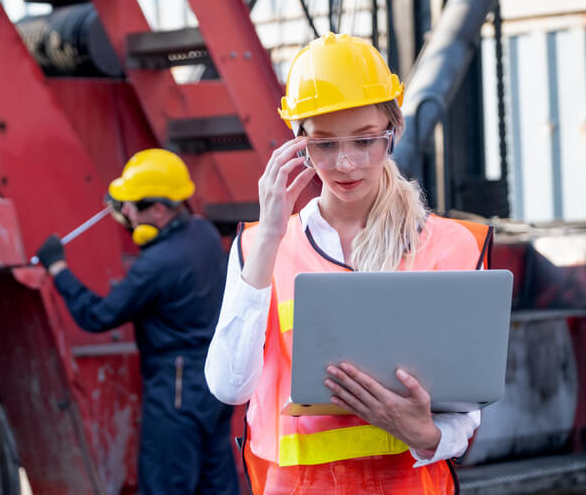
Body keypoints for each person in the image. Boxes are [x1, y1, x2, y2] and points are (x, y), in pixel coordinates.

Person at [204, 33, 493, 494]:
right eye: (323, 144)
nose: (345, 164)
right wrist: (271, 237)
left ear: (393, 133)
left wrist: (424, 434)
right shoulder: (262, 247)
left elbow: (464, 414)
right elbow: (229, 387)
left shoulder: (448, 245)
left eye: (365, 141)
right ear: (297, 145)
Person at [36, 148, 239, 495]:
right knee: (216, 483)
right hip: (214, 383)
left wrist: (58, 269)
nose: (125, 213)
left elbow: (97, 316)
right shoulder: (203, 234)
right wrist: (130, 209)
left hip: (176, 388)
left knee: (165, 485)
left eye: (132, 206)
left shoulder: (156, 265)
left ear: (158, 209)